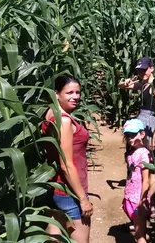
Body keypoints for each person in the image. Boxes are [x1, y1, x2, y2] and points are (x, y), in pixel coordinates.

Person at [41, 74, 93, 243]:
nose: (75, 97)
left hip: (54, 187)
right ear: (57, 94)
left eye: (77, 92)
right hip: (69, 193)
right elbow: (66, 165)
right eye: (69, 92)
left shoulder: (50, 113)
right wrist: (83, 199)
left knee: (55, 239)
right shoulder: (64, 121)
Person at [118, 56, 155, 218]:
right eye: (139, 70)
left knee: (151, 168)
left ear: (151, 68)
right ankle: (144, 201)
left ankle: (151, 204)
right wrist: (125, 82)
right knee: (139, 162)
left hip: (150, 124)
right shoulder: (144, 84)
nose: (141, 73)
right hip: (142, 120)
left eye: (144, 70)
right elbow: (123, 86)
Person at [121, 118, 152, 243]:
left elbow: (146, 180)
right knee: (139, 228)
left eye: (133, 134)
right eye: (127, 135)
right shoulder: (132, 153)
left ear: (142, 134)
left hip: (138, 198)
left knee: (139, 235)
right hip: (131, 195)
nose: (130, 138)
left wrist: (142, 200)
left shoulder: (144, 154)